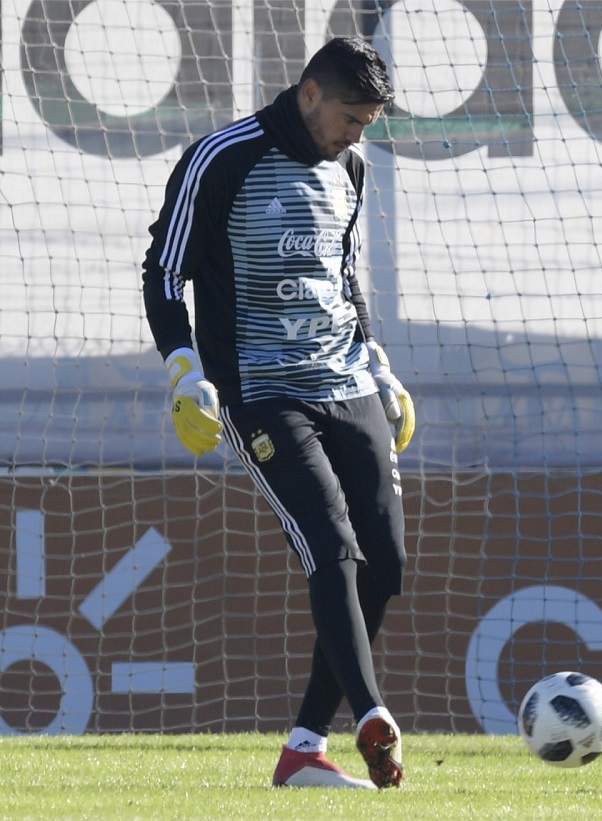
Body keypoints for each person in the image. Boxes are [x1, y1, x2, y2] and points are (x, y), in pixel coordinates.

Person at [142, 36, 413, 790]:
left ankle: (303, 749)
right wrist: (184, 369)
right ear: (308, 96)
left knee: (383, 558)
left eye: (368, 122)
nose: (359, 134)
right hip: (261, 390)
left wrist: (382, 367)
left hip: (347, 379)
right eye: (352, 118)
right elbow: (164, 272)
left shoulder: (351, 167)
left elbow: (342, 273)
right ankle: (369, 714)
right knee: (331, 545)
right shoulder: (221, 157)